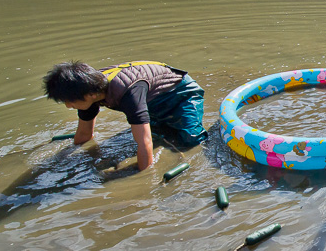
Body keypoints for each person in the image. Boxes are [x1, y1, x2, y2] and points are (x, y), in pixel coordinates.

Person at [43, 61, 207, 171]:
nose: (68, 106)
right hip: (152, 99)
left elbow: (144, 143)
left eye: (69, 101)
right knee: (158, 132)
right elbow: (85, 134)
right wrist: (63, 161)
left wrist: (144, 178)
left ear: (91, 94)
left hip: (181, 93)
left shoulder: (128, 92)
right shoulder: (87, 90)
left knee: (190, 139)